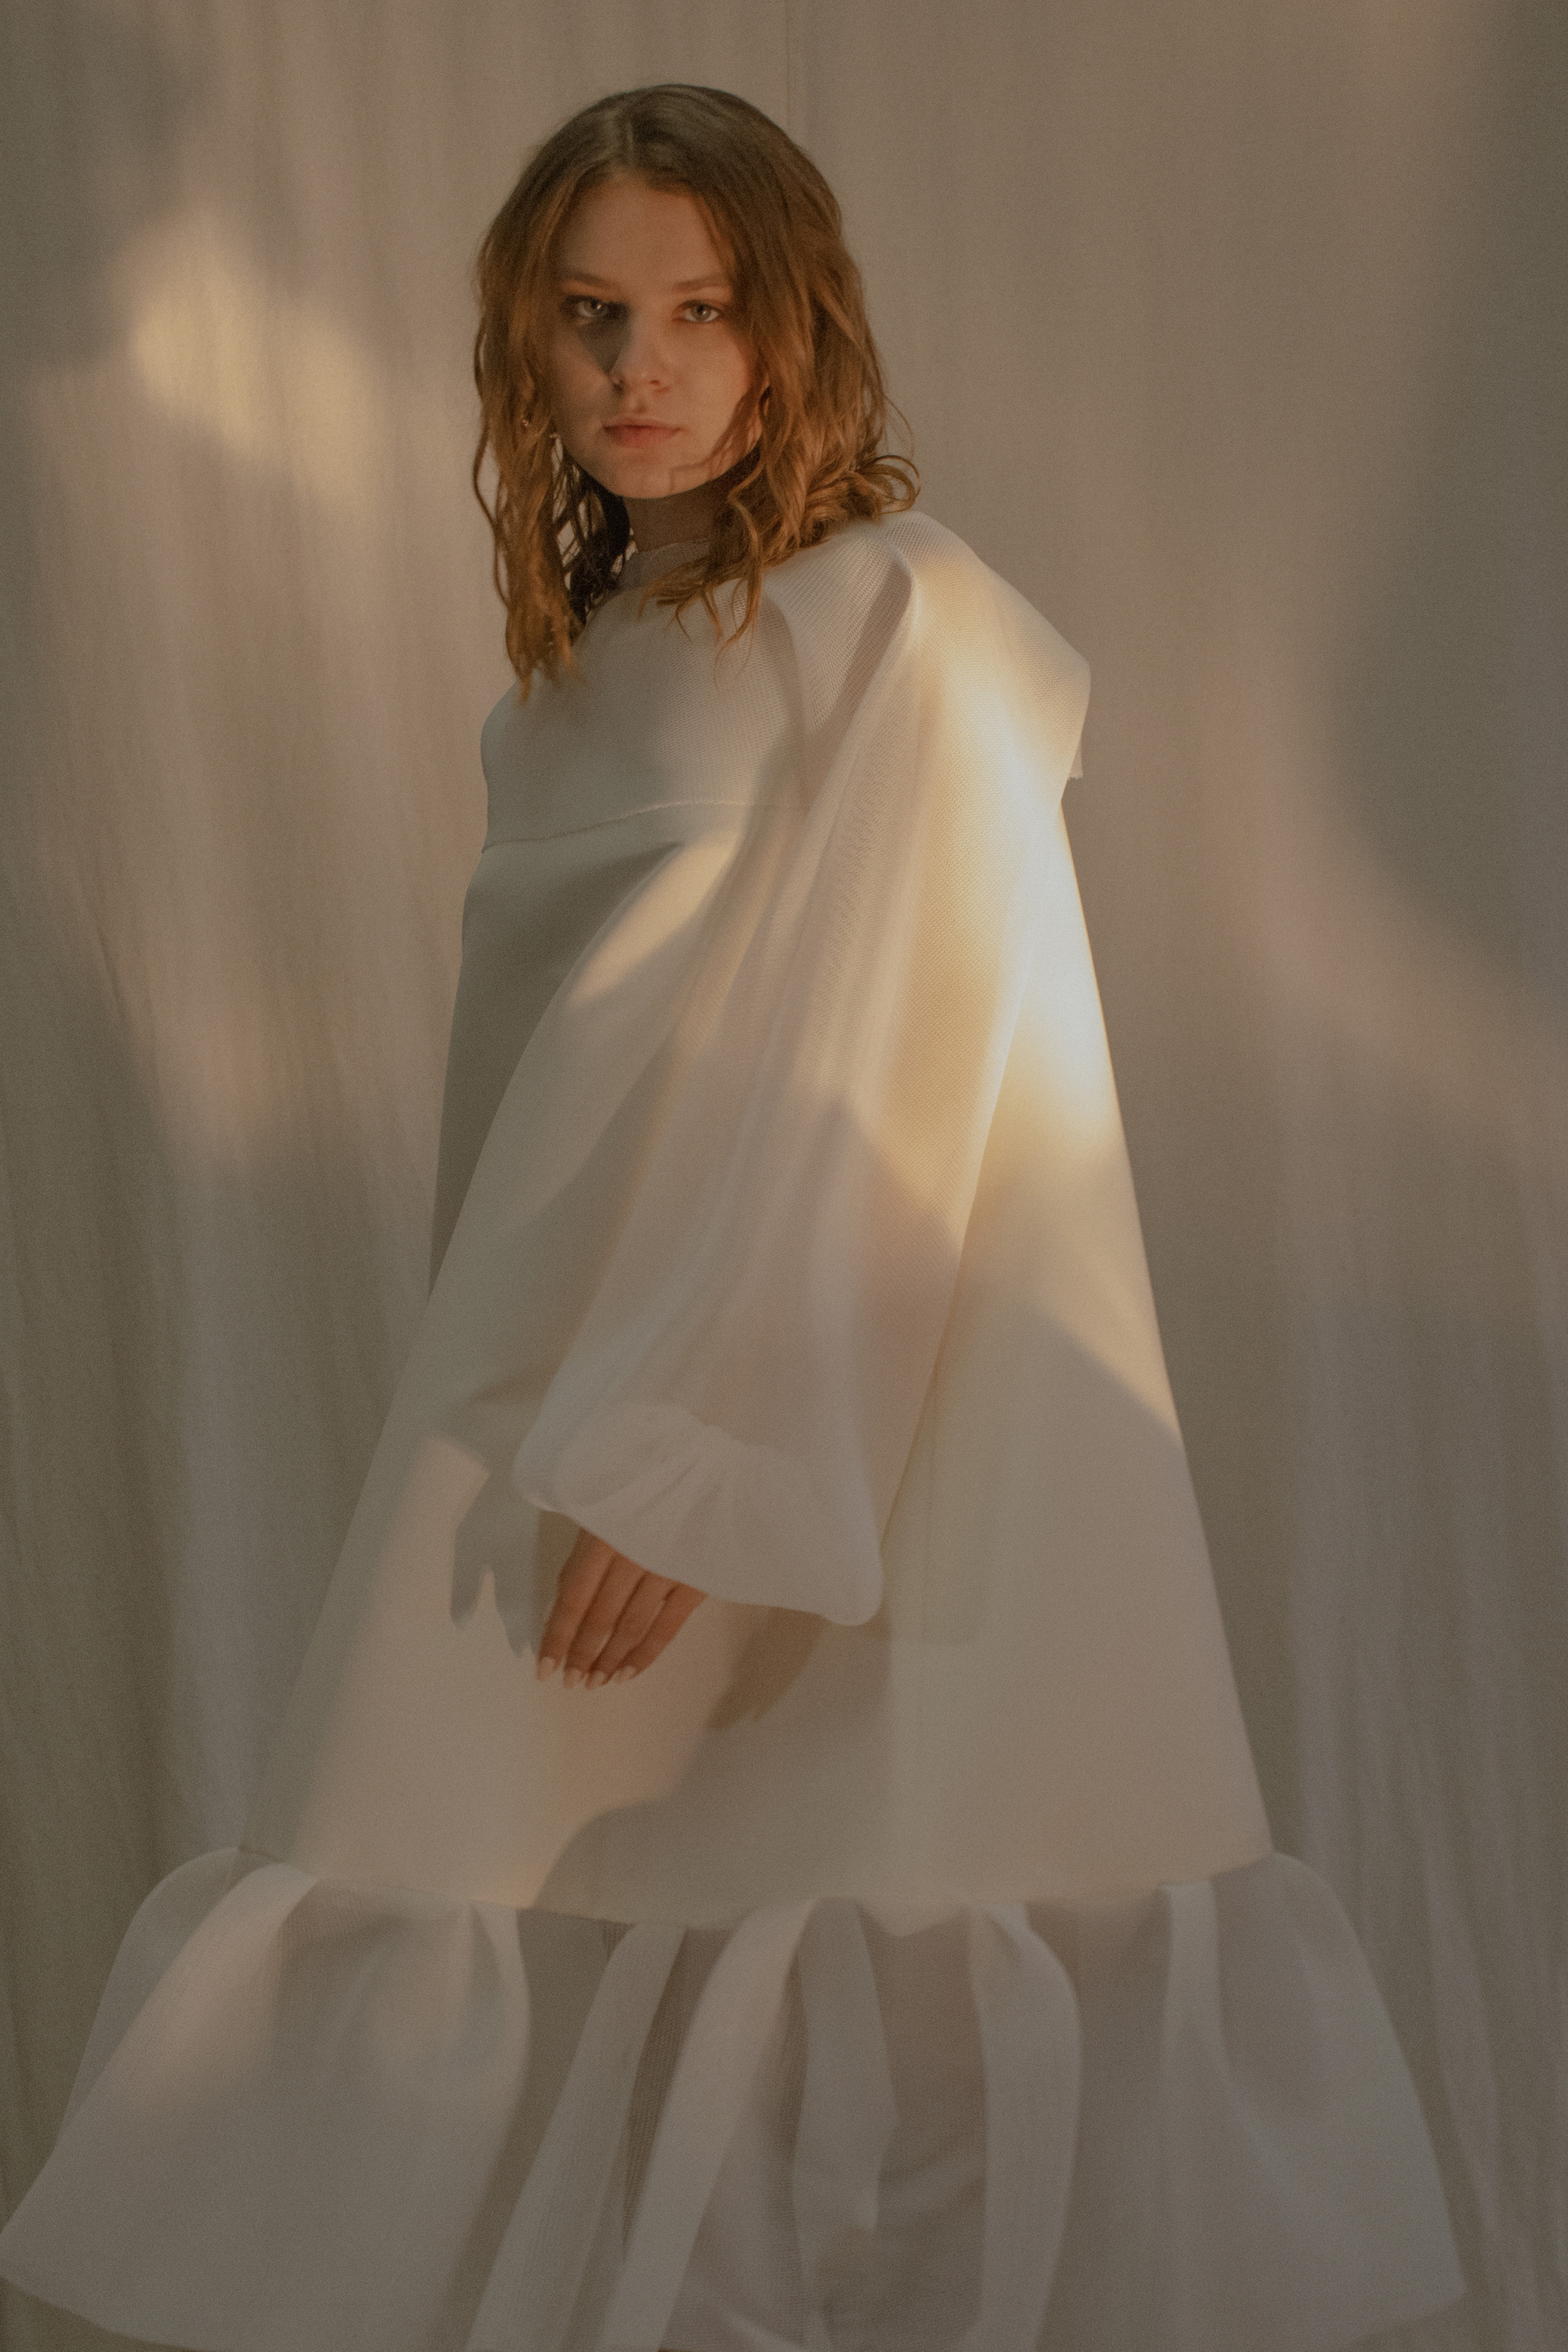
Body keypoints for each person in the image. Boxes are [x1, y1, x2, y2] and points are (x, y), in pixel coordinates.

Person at [0, 82, 1463, 2352]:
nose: (643, 367)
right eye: (593, 315)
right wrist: (557, 1419)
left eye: (702, 311)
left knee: (886, 1917)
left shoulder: (904, 624)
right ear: (525, 339)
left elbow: (894, 1061)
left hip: (848, 1417)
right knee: (535, 1895)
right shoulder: (563, 695)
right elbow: (540, 1133)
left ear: (795, 328)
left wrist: (702, 1443)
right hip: (555, 1408)